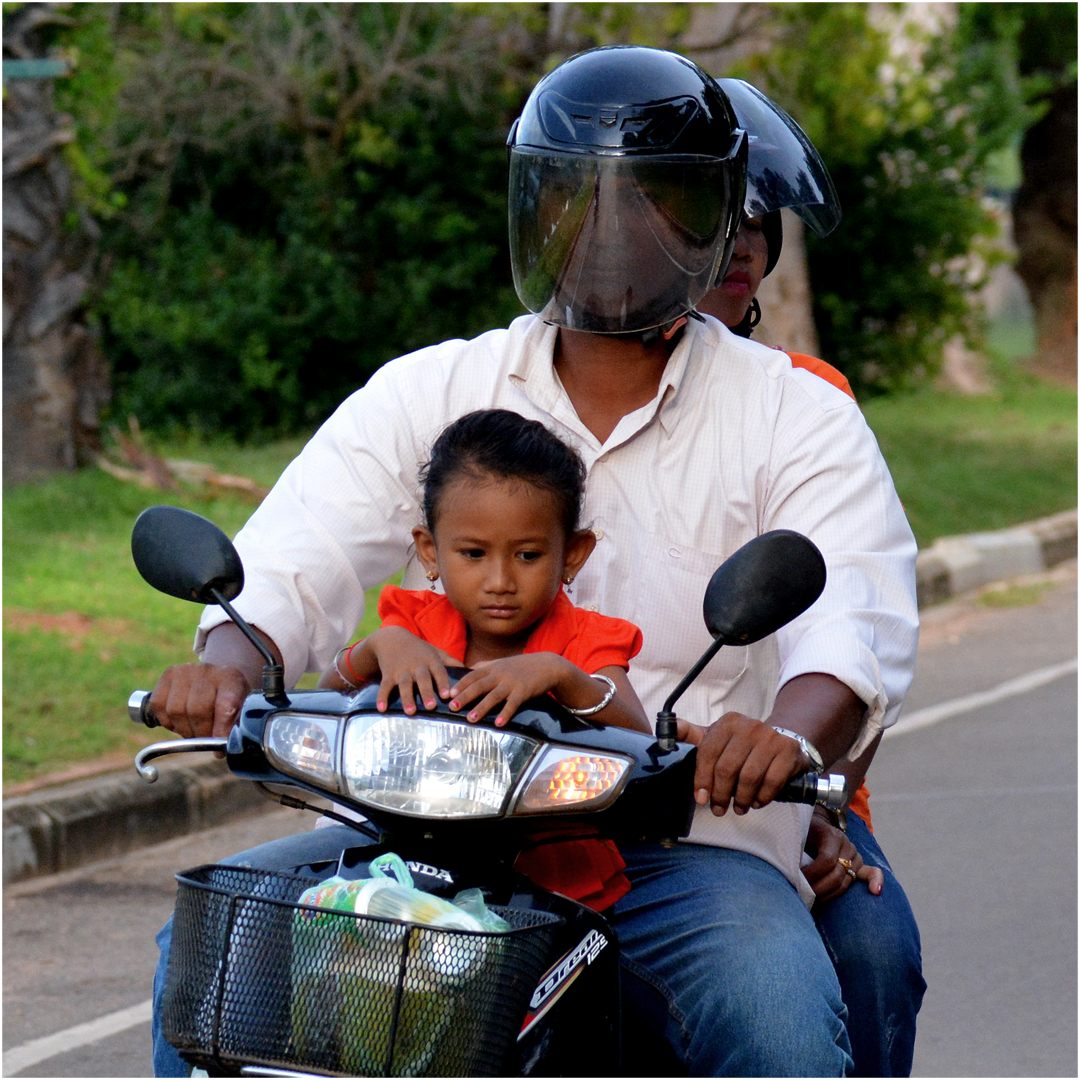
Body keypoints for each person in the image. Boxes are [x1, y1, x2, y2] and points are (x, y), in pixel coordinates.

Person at [149, 46, 919, 1077]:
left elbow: (853, 615)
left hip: (683, 847)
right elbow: (300, 553)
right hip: (426, 833)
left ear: (712, 219)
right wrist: (228, 663)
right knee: (209, 958)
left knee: (776, 1019)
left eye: (650, 199)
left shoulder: (795, 413)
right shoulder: (430, 390)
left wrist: (783, 736)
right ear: (533, 210)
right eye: (575, 195)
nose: (608, 229)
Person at [318, 407, 649, 912]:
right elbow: (322, 701)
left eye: (528, 556)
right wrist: (376, 647)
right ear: (429, 552)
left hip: (550, 889)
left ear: (573, 554)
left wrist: (560, 673)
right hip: (404, 868)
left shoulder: (585, 638)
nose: (500, 580)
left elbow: (638, 737)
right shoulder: (412, 626)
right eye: (473, 554)